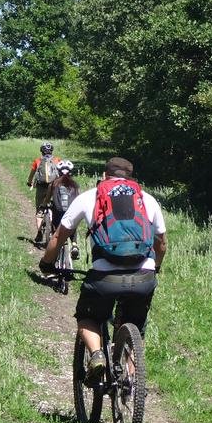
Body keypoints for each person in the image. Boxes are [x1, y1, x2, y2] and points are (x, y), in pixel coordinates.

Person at [39, 157, 168, 384]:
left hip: (105, 278)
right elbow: (162, 243)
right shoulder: (147, 199)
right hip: (143, 276)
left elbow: (59, 236)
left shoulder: (90, 197)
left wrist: (47, 264)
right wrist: (154, 267)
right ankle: (131, 379)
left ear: (105, 175)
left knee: (87, 316)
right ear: (130, 177)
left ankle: (97, 355)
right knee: (136, 324)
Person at [42, 160, 80, 260]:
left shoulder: (54, 183)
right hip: (72, 210)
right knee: (72, 225)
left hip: (58, 210)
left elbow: (47, 198)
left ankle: (56, 248)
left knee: (56, 225)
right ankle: (74, 244)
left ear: (58, 172)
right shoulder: (75, 185)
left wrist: (43, 205)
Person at [26, 142, 62, 243]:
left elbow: (32, 174)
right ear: (52, 151)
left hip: (41, 187)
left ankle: (39, 232)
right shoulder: (57, 160)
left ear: (41, 151)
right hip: (55, 187)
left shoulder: (37, 161)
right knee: (56, 208)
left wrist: (29, 182)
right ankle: (55, 228)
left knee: (39, 210)